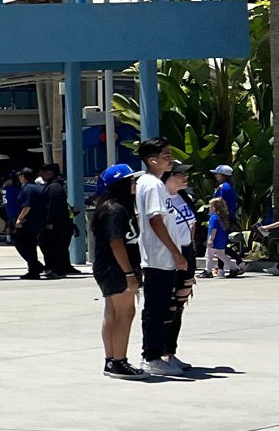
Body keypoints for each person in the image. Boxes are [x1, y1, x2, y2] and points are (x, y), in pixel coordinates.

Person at [134, 140, 196, 376]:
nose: (170, 159)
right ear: (152, 160)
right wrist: (176, 252)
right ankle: (150, 357)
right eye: (166, 155)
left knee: (163, 310)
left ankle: (162, 353)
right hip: (158, 258)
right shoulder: (151, 185)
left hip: (164, 258)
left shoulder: (153, 184)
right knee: (157, 310)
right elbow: (155, 220)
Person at [89, 165, 146, 380]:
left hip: (111, 267)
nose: (134, 184)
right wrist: (129, 274)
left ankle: (112, 360)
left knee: (113, 313)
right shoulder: (115, 209)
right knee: (125, 313)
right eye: (130, 181)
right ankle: (119, 361)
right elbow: (116, 243)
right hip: (116, 268)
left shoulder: (118, 207)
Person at [38, 164, 80, 278]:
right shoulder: (53, 186)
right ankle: (60, 267)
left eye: (43, 172)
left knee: (54, 247)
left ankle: (58, 270)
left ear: (49, 173)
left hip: (57, 225)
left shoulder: (54, 188)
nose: (41, 175)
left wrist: (50, 222)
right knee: (56, 247)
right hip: (60, 224)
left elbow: (54, 207)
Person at [12, 170, 49, 279]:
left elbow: (27, 206)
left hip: (28, 222)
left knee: (21, 242)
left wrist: (19, 219)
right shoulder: (37, 187)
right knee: (31, 246)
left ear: (23, 176)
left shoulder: (28, 188)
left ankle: (35, 266)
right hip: (38, 221)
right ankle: (34, 266)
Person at [202, 197, 243, 278]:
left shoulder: (213, 218)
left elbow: (213, 230)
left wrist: (210, 240)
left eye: (211, 207)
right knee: (222, 255)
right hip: (221, 240)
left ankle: (208, 271)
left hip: (215, 240)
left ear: (214, 208)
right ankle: (234, 267)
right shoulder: (223, 217)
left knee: (209, 255)